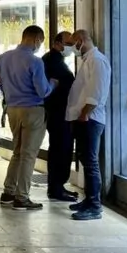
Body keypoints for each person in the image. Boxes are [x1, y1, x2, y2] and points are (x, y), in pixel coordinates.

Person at [0, 25, 56, 211]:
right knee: (29, 155)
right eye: (41, 41)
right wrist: (53, 84)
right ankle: (22, 197)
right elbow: (43, 91)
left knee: (17, 151)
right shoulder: (35, 61)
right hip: (32, 110)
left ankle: (8, 192)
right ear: (36, 39)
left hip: (12, 109)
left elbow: (1, 82)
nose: (40, 45)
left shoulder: (4, 57)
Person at [66, 29, 111, 221]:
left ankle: (94, 205)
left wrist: (85, 113)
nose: (71, 48)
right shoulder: (87, 60)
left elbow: (97, 92)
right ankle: (88, 199)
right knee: (85, 159)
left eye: (72, 43)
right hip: (83, 116)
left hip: (90, 118)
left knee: (91, 162)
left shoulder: (97, 60)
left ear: (81, 40)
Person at [43, 31, 78, 202]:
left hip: (59, 111)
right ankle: (56, 187)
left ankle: (56, 186)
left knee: (60, 149)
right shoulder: (53, 61)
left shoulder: (54, 59)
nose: (72, 47)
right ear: (58, 43)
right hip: (58, 112)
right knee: (61, 149)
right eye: (69, 43)